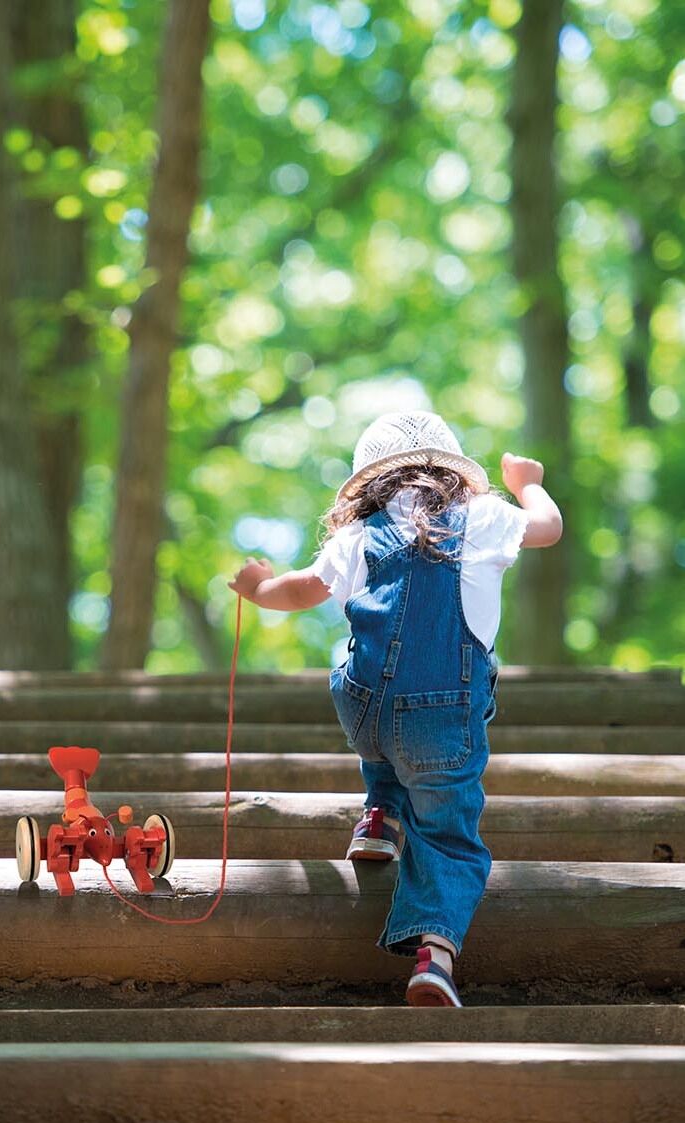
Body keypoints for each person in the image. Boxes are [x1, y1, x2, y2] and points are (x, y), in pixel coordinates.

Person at [228, 410, 563, 1007]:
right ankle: (432, 956)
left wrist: (256, 589)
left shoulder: (359, 534)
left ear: (371, 484)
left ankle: (378, 817)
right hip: (443, 721)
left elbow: (302, 589)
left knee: (386, 723)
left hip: (363, 712)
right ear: (455, 478)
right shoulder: (484, 518)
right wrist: (526, 482)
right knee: (447, 833)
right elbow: (547, 527)